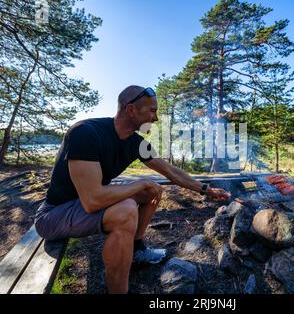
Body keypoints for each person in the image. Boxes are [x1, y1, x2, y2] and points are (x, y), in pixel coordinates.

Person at [34, 85, 231, 294]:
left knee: (153, 191)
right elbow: (92, 201)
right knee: (126, 209)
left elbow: (171, 171)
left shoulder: (136, 142)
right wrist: (138, 183)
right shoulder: (85, 133)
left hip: (81, 208)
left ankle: (136, 250)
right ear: (130, 110)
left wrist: (205, 189)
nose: (155, 118)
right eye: (152, 111)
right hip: (53, 216)